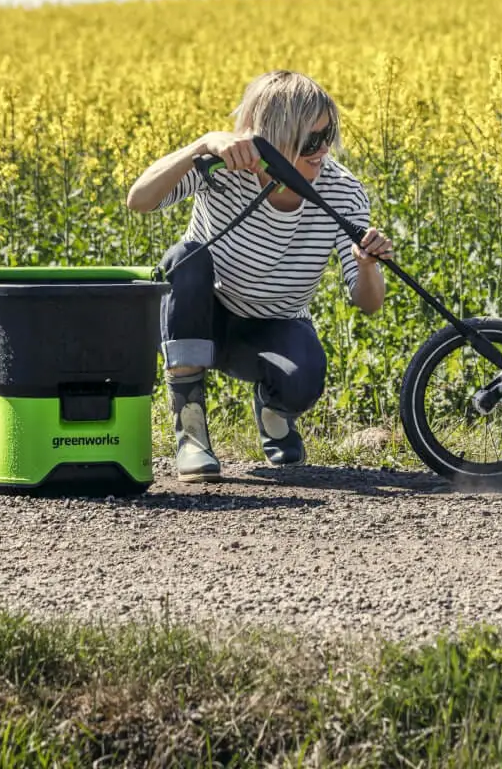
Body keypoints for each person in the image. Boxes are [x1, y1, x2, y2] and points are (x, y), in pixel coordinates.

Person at [124, 71, 394, 480]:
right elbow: (139, 201)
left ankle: (274, 411)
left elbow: (368, 302)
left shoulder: (342, 191)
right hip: (203, 318)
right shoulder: (224, 168)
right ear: (273, 136)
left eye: (328, 134)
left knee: (305, 377)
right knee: (185, 257)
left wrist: (366, 263)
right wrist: (202, 145)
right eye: (310, 141)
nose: (323, 150)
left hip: (275, 326)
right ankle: (191, 428)